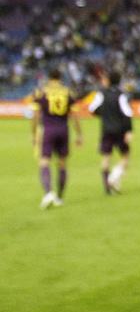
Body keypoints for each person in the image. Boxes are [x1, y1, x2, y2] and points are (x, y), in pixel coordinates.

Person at [33, 70, 82, 209]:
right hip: (63, 129)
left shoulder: (41, 92)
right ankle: (59, 197)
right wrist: (79, 134)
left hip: (48, 129)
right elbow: (74, 115)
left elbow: (36, 114)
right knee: (62, 163)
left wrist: (33, 134)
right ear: (60, 78)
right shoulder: (68, 92)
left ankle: (48, 192)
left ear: (49, 78)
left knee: (44, 161)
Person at [88, 69, 134, 194]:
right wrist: (129, 130)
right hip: (120, 130)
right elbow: (127, 113)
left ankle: (107, 188)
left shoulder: (101, 94)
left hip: (106, 129)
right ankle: (114, 177)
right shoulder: (121, 94)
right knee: (125, 156)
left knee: (106, 158)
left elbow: (92, 109)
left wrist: (104, 113)